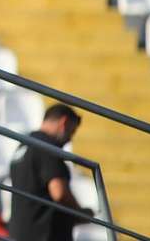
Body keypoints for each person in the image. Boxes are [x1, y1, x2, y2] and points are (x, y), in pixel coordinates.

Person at [9, 103, 94, 241]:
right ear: (63, 123)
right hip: (45, 234)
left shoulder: (22, 146)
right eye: (71, 132)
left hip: (20, 233)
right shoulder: (47, 148)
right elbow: (59, 192)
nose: (69, 139)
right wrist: (81, 213)